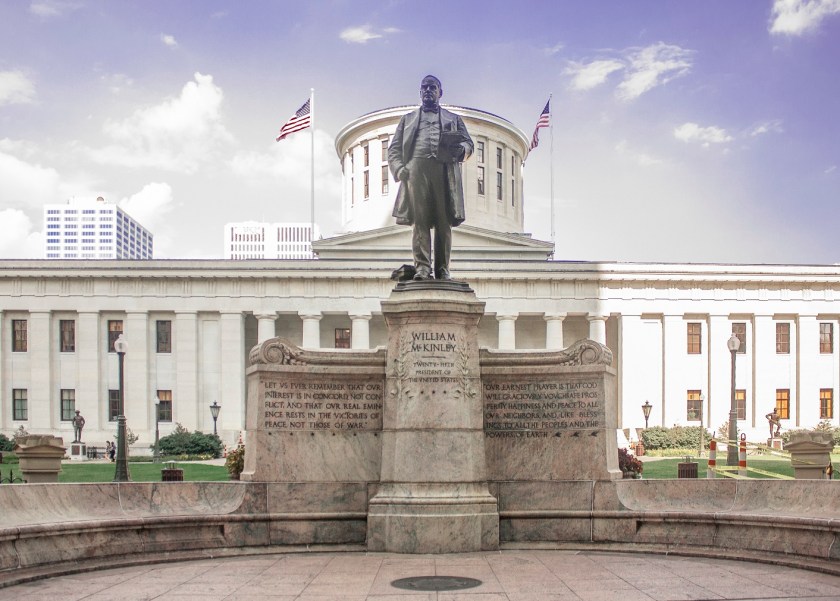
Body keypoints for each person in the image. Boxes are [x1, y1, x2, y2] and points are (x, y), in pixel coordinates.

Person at [389, 75, 473, 281]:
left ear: (439, 92)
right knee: (420, 221)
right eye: (424, 88)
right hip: (416, 170)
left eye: (432, 87)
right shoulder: (407, 120)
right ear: (420, 93)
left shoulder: (454, 119)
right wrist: (400, 169)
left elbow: (468, 144)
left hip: (444, 171)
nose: (428, 91)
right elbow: (394, 149)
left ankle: (443, 269)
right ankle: (423, 268)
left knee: (444, 223)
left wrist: (461, 150)